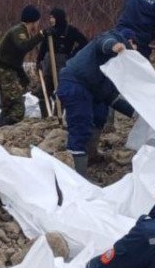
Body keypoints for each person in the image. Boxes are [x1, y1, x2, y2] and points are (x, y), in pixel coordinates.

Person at [55, 29, 137, 177]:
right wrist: (113, 46)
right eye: (134, 45)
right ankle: (77, 177)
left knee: (100, 115)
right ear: (129, 42)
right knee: (80, 127)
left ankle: (90, 155)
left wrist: (135, 113)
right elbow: (104, 42)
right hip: (75, 83)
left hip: (91, 89)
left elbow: (110, 96)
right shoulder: (112, 40)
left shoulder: (116, 65)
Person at [0, 5, 44, 126]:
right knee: (18, 108)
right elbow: (23, 47)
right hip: (5, 72)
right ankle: (5, 129)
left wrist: (22, 76)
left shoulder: (22, 31)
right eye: (37, 22)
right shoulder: (19, 31)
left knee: (8, 106)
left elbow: (14, 58)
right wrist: (41, 35)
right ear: (33, 21)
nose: (37, 25)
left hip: (6, 71)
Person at [36, 7, 88, 98]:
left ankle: (58, 111)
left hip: (63, 65)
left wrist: (73, 55)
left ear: (58, 18)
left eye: (53, 17)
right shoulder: (49, 32)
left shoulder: (70, 30)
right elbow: (43, 48)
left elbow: (84, 42)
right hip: (49, 66)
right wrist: (39, 61)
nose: (51, 20)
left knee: (61, 92)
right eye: (50, 17)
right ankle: (47, 112)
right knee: (43, 93)